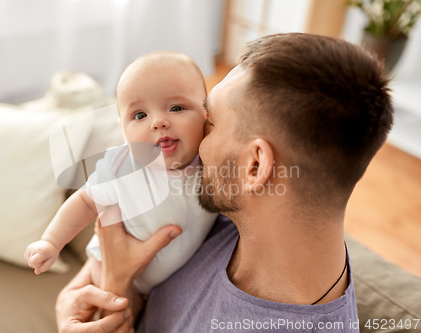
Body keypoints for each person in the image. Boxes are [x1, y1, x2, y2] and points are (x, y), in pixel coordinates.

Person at [55, 33, 394, 333]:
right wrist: (79, 293)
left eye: (211, 123)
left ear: (255, 166)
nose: (195, 137)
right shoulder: (237, 214)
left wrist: (115, 281)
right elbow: (124, 243)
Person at [24, 52, 218, 297]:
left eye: (176, 107)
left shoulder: (213, 162)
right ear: (123, 132)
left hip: (172, 282)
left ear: (207, 113)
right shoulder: (121, 168)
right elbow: (85, 201)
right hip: (107, 267)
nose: (158, 122)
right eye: (140, 115)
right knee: (113, 317)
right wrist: (51, 242)